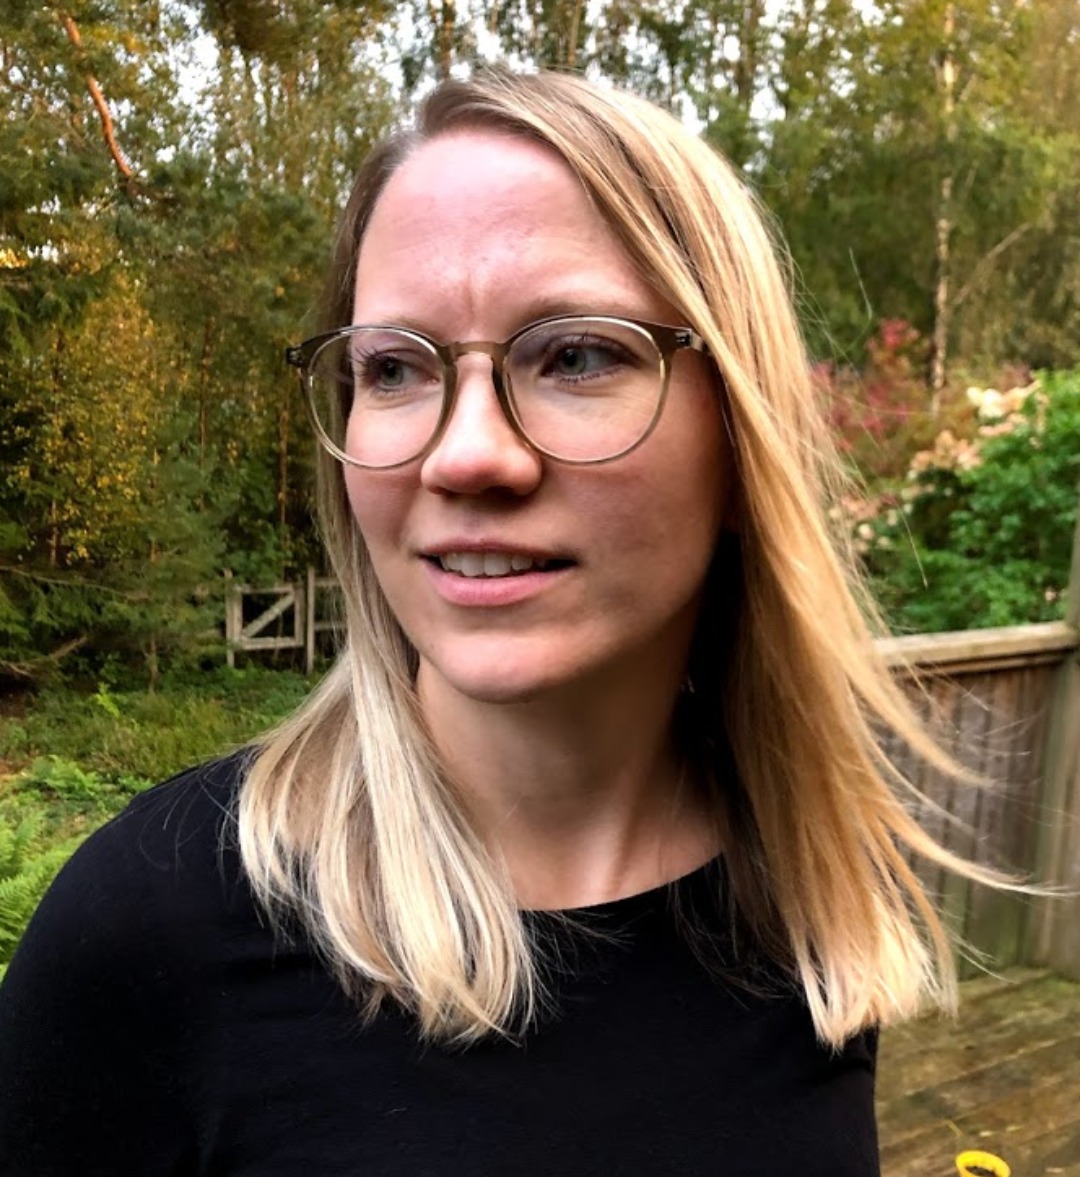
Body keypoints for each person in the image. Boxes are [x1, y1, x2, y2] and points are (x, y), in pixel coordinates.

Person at [0, 69, 1002, 1175]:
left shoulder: (813, 898)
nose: (466, 452)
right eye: (393, 367)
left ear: (741, 434)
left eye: (575, 354)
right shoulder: (147, 937)